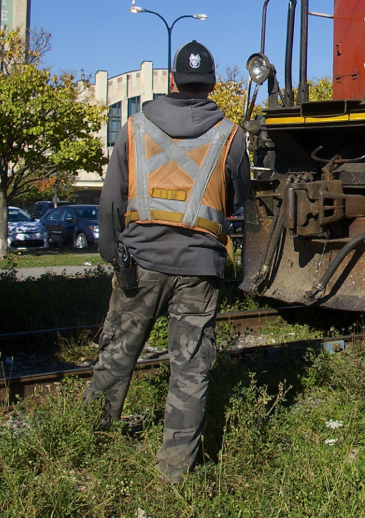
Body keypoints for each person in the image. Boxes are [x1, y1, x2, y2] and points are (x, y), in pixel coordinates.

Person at [84, 40, 250, 483]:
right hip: (199, 269)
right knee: (190, 370)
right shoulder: (232, 136)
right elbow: (238, 200)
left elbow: (111, 199)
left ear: (172, 81)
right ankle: (173, 476)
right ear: (213, 83)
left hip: (138, 261)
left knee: (116, 358)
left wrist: (113, 256)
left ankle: (85, 444)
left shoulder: (134, 127)